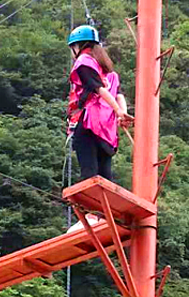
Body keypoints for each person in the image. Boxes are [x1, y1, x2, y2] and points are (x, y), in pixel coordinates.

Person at [66, 25, 133, 233]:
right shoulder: (110, 73)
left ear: (78, 46)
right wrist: (121, 112)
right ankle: (104, 215)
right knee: (105, 174)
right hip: (108, 130)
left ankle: (92, 216)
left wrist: (119, 112)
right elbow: (118, 93)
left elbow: (97, 89)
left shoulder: (84, 62)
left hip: (89, 123)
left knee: (90, 171)